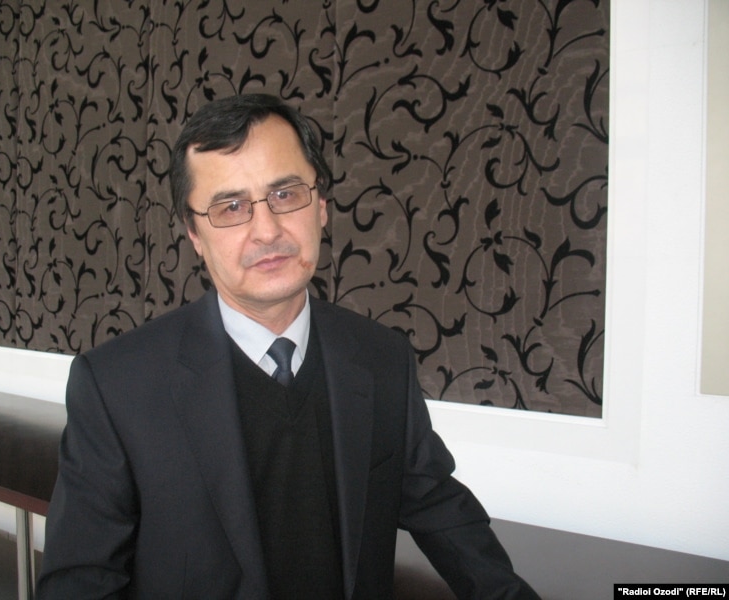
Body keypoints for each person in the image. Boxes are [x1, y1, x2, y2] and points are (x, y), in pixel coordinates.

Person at [37, 93, 540, 599]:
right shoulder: (116, 387)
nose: (267, 230)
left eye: (285, 194)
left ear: (320, 207)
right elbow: (79, 582)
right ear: (194, 234)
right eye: (231, 207)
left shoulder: (381, 357)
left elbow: (438, 504)